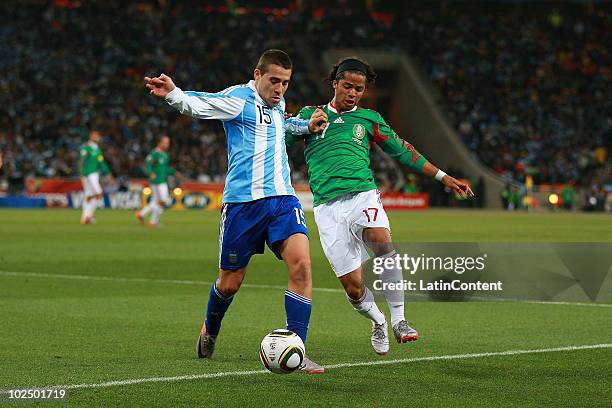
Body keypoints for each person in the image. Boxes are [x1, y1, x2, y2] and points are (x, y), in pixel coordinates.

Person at [145, 49, 328, 372]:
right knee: (230, 283)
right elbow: (199, 105)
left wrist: (307, 127)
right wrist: (172, 93)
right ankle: (210, 328)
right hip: (243, 206)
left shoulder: (279, 104)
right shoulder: (238, 99)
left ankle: (297, 345)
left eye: (285, 83)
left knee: (301, 265)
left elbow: (281, 126)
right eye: (274, 81)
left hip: (283, 201)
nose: (280, 89)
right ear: (257, 75)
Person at [287, 57, 473, 356]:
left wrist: (443, 177)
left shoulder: (369, 119)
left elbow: (403, 150)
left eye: (359, 89)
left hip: (363, 195)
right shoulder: (311, 115)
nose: (352, 93)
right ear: (334, 83)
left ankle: (400, 321)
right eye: (347, 86)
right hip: (327, 209)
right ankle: (378, 320)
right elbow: (276, 138)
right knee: (353, 287)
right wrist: (291, 124)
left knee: (382, 243)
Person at [136, 135, 177, 227]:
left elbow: (165, 168)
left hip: (161, 179)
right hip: (157, 181)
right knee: (163, 200)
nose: (167, 145)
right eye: (165, 142)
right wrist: (150, 172)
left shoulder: (165, 155)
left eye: (168, 143)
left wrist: (174, 172)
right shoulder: (155, 153)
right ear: (159, 143)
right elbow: (148, 164)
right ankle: (153, 221)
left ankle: (141, 214)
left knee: (155, 201)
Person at [79, 129, 112, 224]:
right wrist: (81, 173)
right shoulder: (87, 148)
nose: (96, 138)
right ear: (91, 137)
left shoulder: (97, 149)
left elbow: (101, 162)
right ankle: (88, 215)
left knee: (89, 195)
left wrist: (108, 172)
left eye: (97, 136)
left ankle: (85, 217)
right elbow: (81, 161)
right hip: (88, 174)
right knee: (98, 193)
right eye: (94, 136)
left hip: (93, 174)